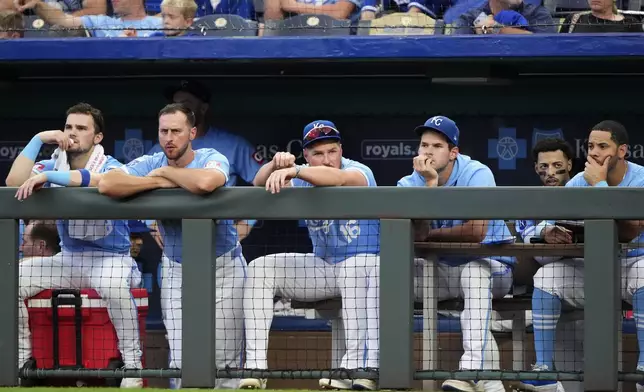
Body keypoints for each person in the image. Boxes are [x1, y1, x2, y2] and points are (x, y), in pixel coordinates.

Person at [98, 103, 245, 390]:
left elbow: (206, 182)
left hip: (223, 266)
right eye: (163, 131)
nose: (169, 138)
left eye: (176, 131)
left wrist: (163, 176)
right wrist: (161, 177)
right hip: (177, 268)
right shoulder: (151, 161)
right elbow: (108, 183)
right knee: (180, 357)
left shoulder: (208, 156)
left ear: (191, 133)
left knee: (225, 361)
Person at [5, 102, 143, 388]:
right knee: (11, 280)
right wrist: (38, 139)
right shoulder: (55, 161)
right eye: (69, 127)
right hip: (69, 259)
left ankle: (133, 365)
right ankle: (22, 362)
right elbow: (13, 182)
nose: (73, 133)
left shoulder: (111, 165)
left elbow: (103, 182)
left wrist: (49, 178)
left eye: (82, 128)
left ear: (97, 137)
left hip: (112, 259)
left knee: (114, 286)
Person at [240, 120, 380, 391]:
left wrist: (297, 170)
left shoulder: (359, 171)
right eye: (318, 154)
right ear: (306, 155)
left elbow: (337, 179)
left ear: (341, 149)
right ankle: (255, 369)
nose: (327, 160)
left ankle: (357, 371)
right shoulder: (304, 176)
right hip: (326, 266)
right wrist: (276, 165)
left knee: (356, 268)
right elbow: (258, 183)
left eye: (332, 151)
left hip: (369, 266)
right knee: (260, 268)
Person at [518, 121, 644, 392]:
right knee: (547, 275)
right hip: (594, 269)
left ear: (621, 151)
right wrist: (548, 230)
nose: (594, 153)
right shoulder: (579, 181)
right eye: (590, 146)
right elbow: (545, 220)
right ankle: (544, 369)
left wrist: (599, 185)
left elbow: (630, 228)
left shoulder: (641, 178)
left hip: (633, 266)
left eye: (602, 146)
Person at [397, 115, 515, 392]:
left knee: (474, 274)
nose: (427, 151)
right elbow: (414, 236)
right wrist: (429, 186)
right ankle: (490, 381)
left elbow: (476, 232)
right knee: (383, 276)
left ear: (453, 152)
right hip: (439, 270)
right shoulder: (409, 182)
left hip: (492, 268)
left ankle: (470, 370)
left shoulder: (477, 173)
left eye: (436, 146)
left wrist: (430, 235)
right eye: (423, 145)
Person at [148, 80, 262, 241]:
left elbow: (265, 181)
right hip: (175, 245)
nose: (180, 109)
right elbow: (133, 185)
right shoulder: (158, 151)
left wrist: (247, 222)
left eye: (186, 104)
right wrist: (151, 223)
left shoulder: (232, 145)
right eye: (175, 104)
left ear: (203, 108)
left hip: (220, 240)